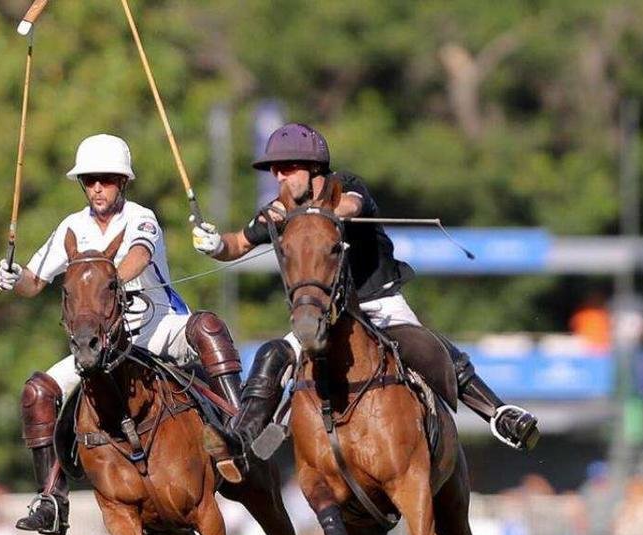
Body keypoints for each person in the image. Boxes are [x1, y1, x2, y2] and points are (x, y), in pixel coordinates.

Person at [190, 123, 539, 452]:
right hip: (322, 312)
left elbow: (351, 205)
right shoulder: (277, 211)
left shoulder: (345, 185)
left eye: (287, 167)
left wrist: (308, 214)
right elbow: (238, 243)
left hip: (380, 301)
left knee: (432, 348)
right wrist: (214, 244)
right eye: (275, 169)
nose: (278, 175)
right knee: (273, 356)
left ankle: (498, 413)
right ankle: (243, 438)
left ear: (314, 169)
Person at [0, 134, 246, 535]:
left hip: (157, 329)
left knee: (208, 326)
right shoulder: (70, 227)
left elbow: (139, 255)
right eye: (90, 179)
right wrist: (12, 277)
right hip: (99, 347)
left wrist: (105, 281)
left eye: (107, 179)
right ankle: (51, 500)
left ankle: (241, 427)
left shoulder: (140, 216)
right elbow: (35, 280)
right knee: (37, 393)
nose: (98, 187)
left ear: (123, 182)